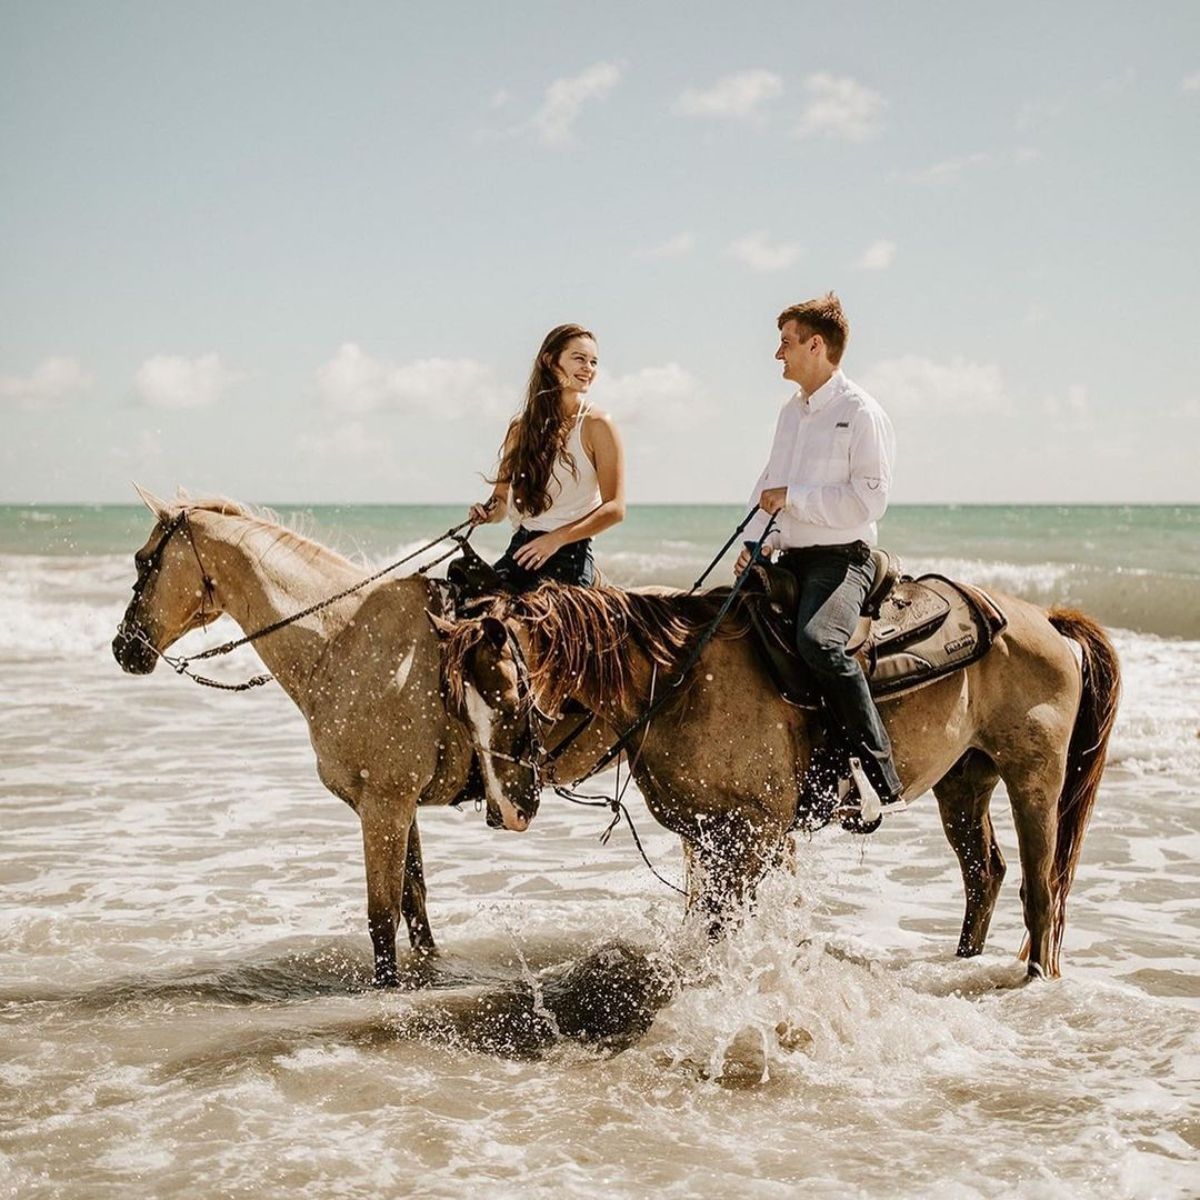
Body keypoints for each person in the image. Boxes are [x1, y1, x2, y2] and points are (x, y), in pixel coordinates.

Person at [736, 293, 904, 808]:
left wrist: (794, 500)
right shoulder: (791, 414)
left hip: (842, 559)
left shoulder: (861, 413)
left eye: (785, 342)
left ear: (815, 345)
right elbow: (769, 483)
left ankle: (877, 777)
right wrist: (752, 544)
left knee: (818, 643)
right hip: (787, 556)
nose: (777, 354)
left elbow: (869, 501)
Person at [468, 323, 625, 591]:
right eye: (579, 358)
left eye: (593, 362)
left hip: (568, 556)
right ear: (550, 361)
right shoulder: (520, 428)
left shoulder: (597, 424)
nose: (589, 368)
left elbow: (615, 509)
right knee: (469, 612)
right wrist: (487, 513)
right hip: (520, 552)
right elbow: (502, 501)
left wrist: (556, 539)